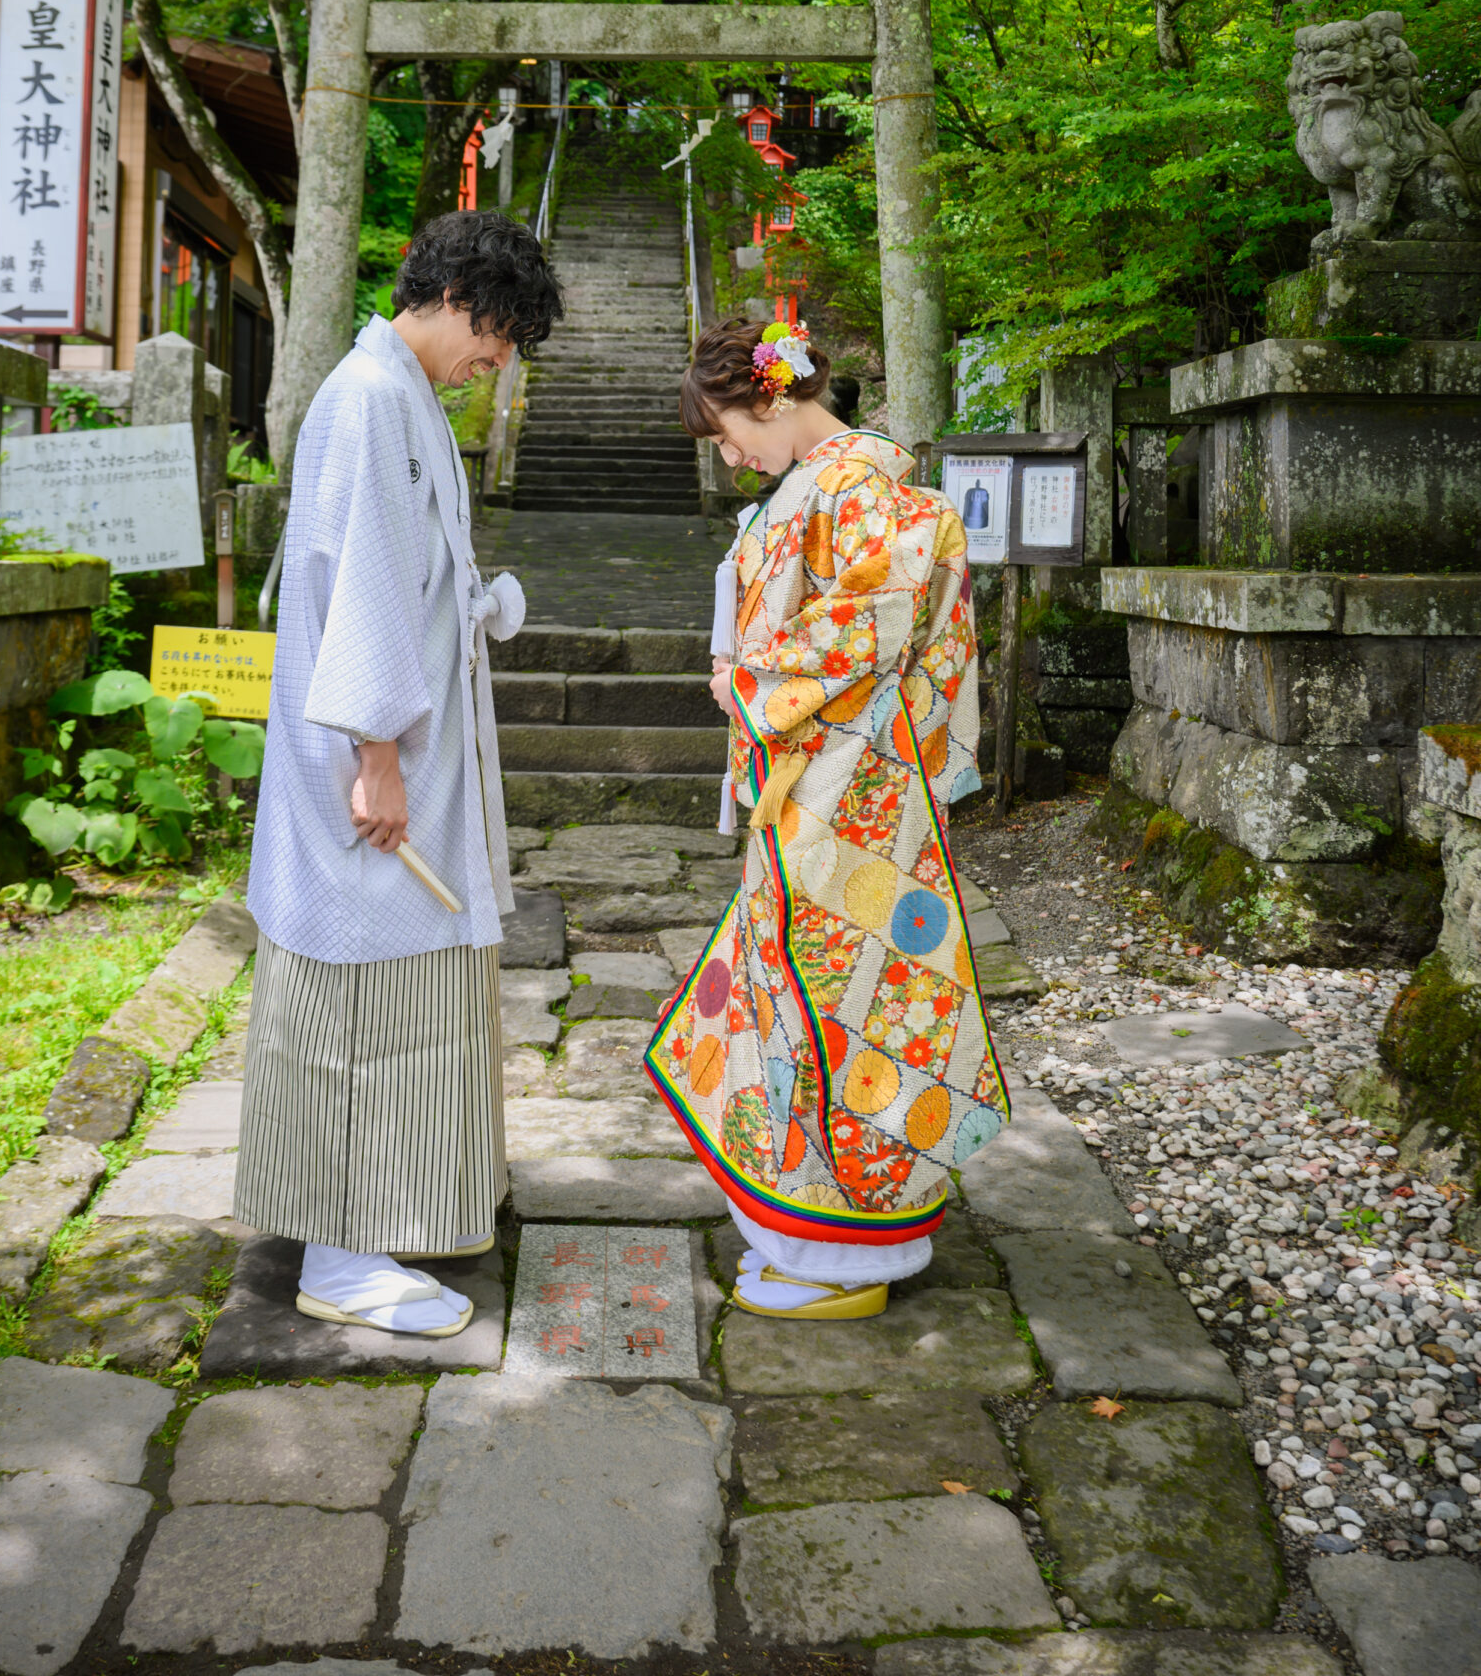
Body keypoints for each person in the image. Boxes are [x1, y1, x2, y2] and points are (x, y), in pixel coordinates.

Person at [232, 210, 563, 1336]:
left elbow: (401, 574)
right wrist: (375, 755)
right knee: (365, 988)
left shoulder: (395, 391)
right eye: (501, 335)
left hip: (402, 745)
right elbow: (362, 581)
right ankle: (341, 1254)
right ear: (462, 299)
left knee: (406, 981)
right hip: (372, 761)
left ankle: (395, 1210)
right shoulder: (372, 396)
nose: (498, 361)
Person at [648, 317, 1009, 1320]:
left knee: (834, 1002)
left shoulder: (852, 484)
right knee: (817, 995)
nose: (729, 458)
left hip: (845, 795)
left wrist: (746, 680)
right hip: (829, 784)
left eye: (726, 434)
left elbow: (859, 626)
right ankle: (815, 1226)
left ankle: (840, 1247)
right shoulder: (836, 482)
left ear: (769, 396)